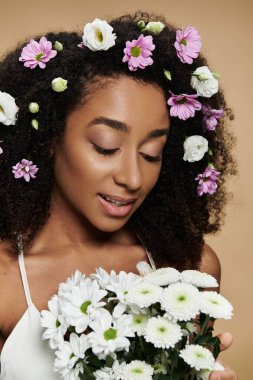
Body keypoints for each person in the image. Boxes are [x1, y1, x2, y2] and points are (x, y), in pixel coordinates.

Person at [0, 11, 238, 380]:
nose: (132, 178)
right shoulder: (5, 281)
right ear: (49, 137)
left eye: (151, 155)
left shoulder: (190, 271)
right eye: (106, 146)